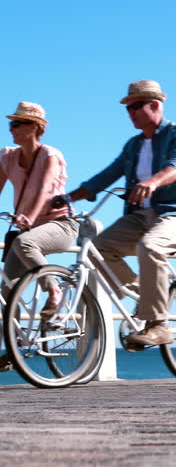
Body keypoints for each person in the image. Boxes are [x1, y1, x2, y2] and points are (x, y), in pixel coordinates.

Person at [54, 79, 176, 347]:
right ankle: (147, 298)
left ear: (155, 105)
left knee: (150, 246)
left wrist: (153, 182)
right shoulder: (133, 145)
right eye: (127, 108)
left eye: (135, 106)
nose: (130, 113)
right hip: (139, 217)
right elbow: (106, 176)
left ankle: (159, 324)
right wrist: (67, 197)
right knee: (98, 249)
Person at [0, 101, 78, 370]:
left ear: (35, 127)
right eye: (11, 123)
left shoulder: (50, 155)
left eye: (16, 123)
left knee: (25, 241)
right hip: (27, 231)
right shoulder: (8, 156)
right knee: (7, 290)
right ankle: (16, 347)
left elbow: (45, 190)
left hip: (61, 225)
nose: (11, 128)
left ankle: (54, 291)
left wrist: (29, 218)